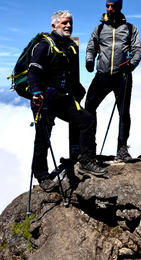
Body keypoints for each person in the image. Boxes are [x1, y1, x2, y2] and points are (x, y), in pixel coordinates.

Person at [28, 10, 107, 192]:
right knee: (43, 138)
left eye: (70, 23)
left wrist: (77, 88)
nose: (68, 26)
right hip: (44, 100)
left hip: (63, 99)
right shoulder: (43, 46)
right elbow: (34, 71)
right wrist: (36, 92)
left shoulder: (69, 46)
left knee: (86, 120)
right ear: (54, 26)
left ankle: (86, 160)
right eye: (64, 23)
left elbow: (68, 74)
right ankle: (41, 174)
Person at [85, 0, 141, 162]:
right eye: (107, 6)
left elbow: (138, 50)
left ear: (120, 7)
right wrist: (89, 61)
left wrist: (131, 64)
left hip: (122, 77)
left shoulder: (131, 28)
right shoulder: (100, 28)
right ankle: (89, 149)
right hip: (102, 76)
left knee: (124, 113)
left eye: (113, 6)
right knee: (88, 108)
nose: (110, 9)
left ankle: (122, 149)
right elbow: (91, 48)